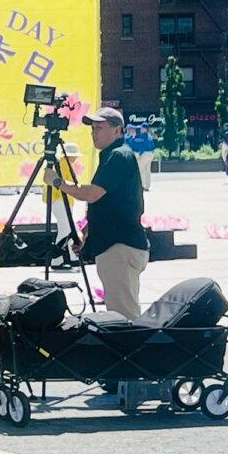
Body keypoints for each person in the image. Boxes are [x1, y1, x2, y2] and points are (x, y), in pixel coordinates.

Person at [46, 106, 148, 320]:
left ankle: (127, 352)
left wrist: (57, 182)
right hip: (115, 244)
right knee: (118, 311)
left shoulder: (119, 156)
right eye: (93, 128)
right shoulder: (112, 156)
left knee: (123, 316)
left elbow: (92, 194)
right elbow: (109, 203)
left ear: (117, 130)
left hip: (120, 246)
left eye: (100, 128)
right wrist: (87, 233)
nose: (94, 133)